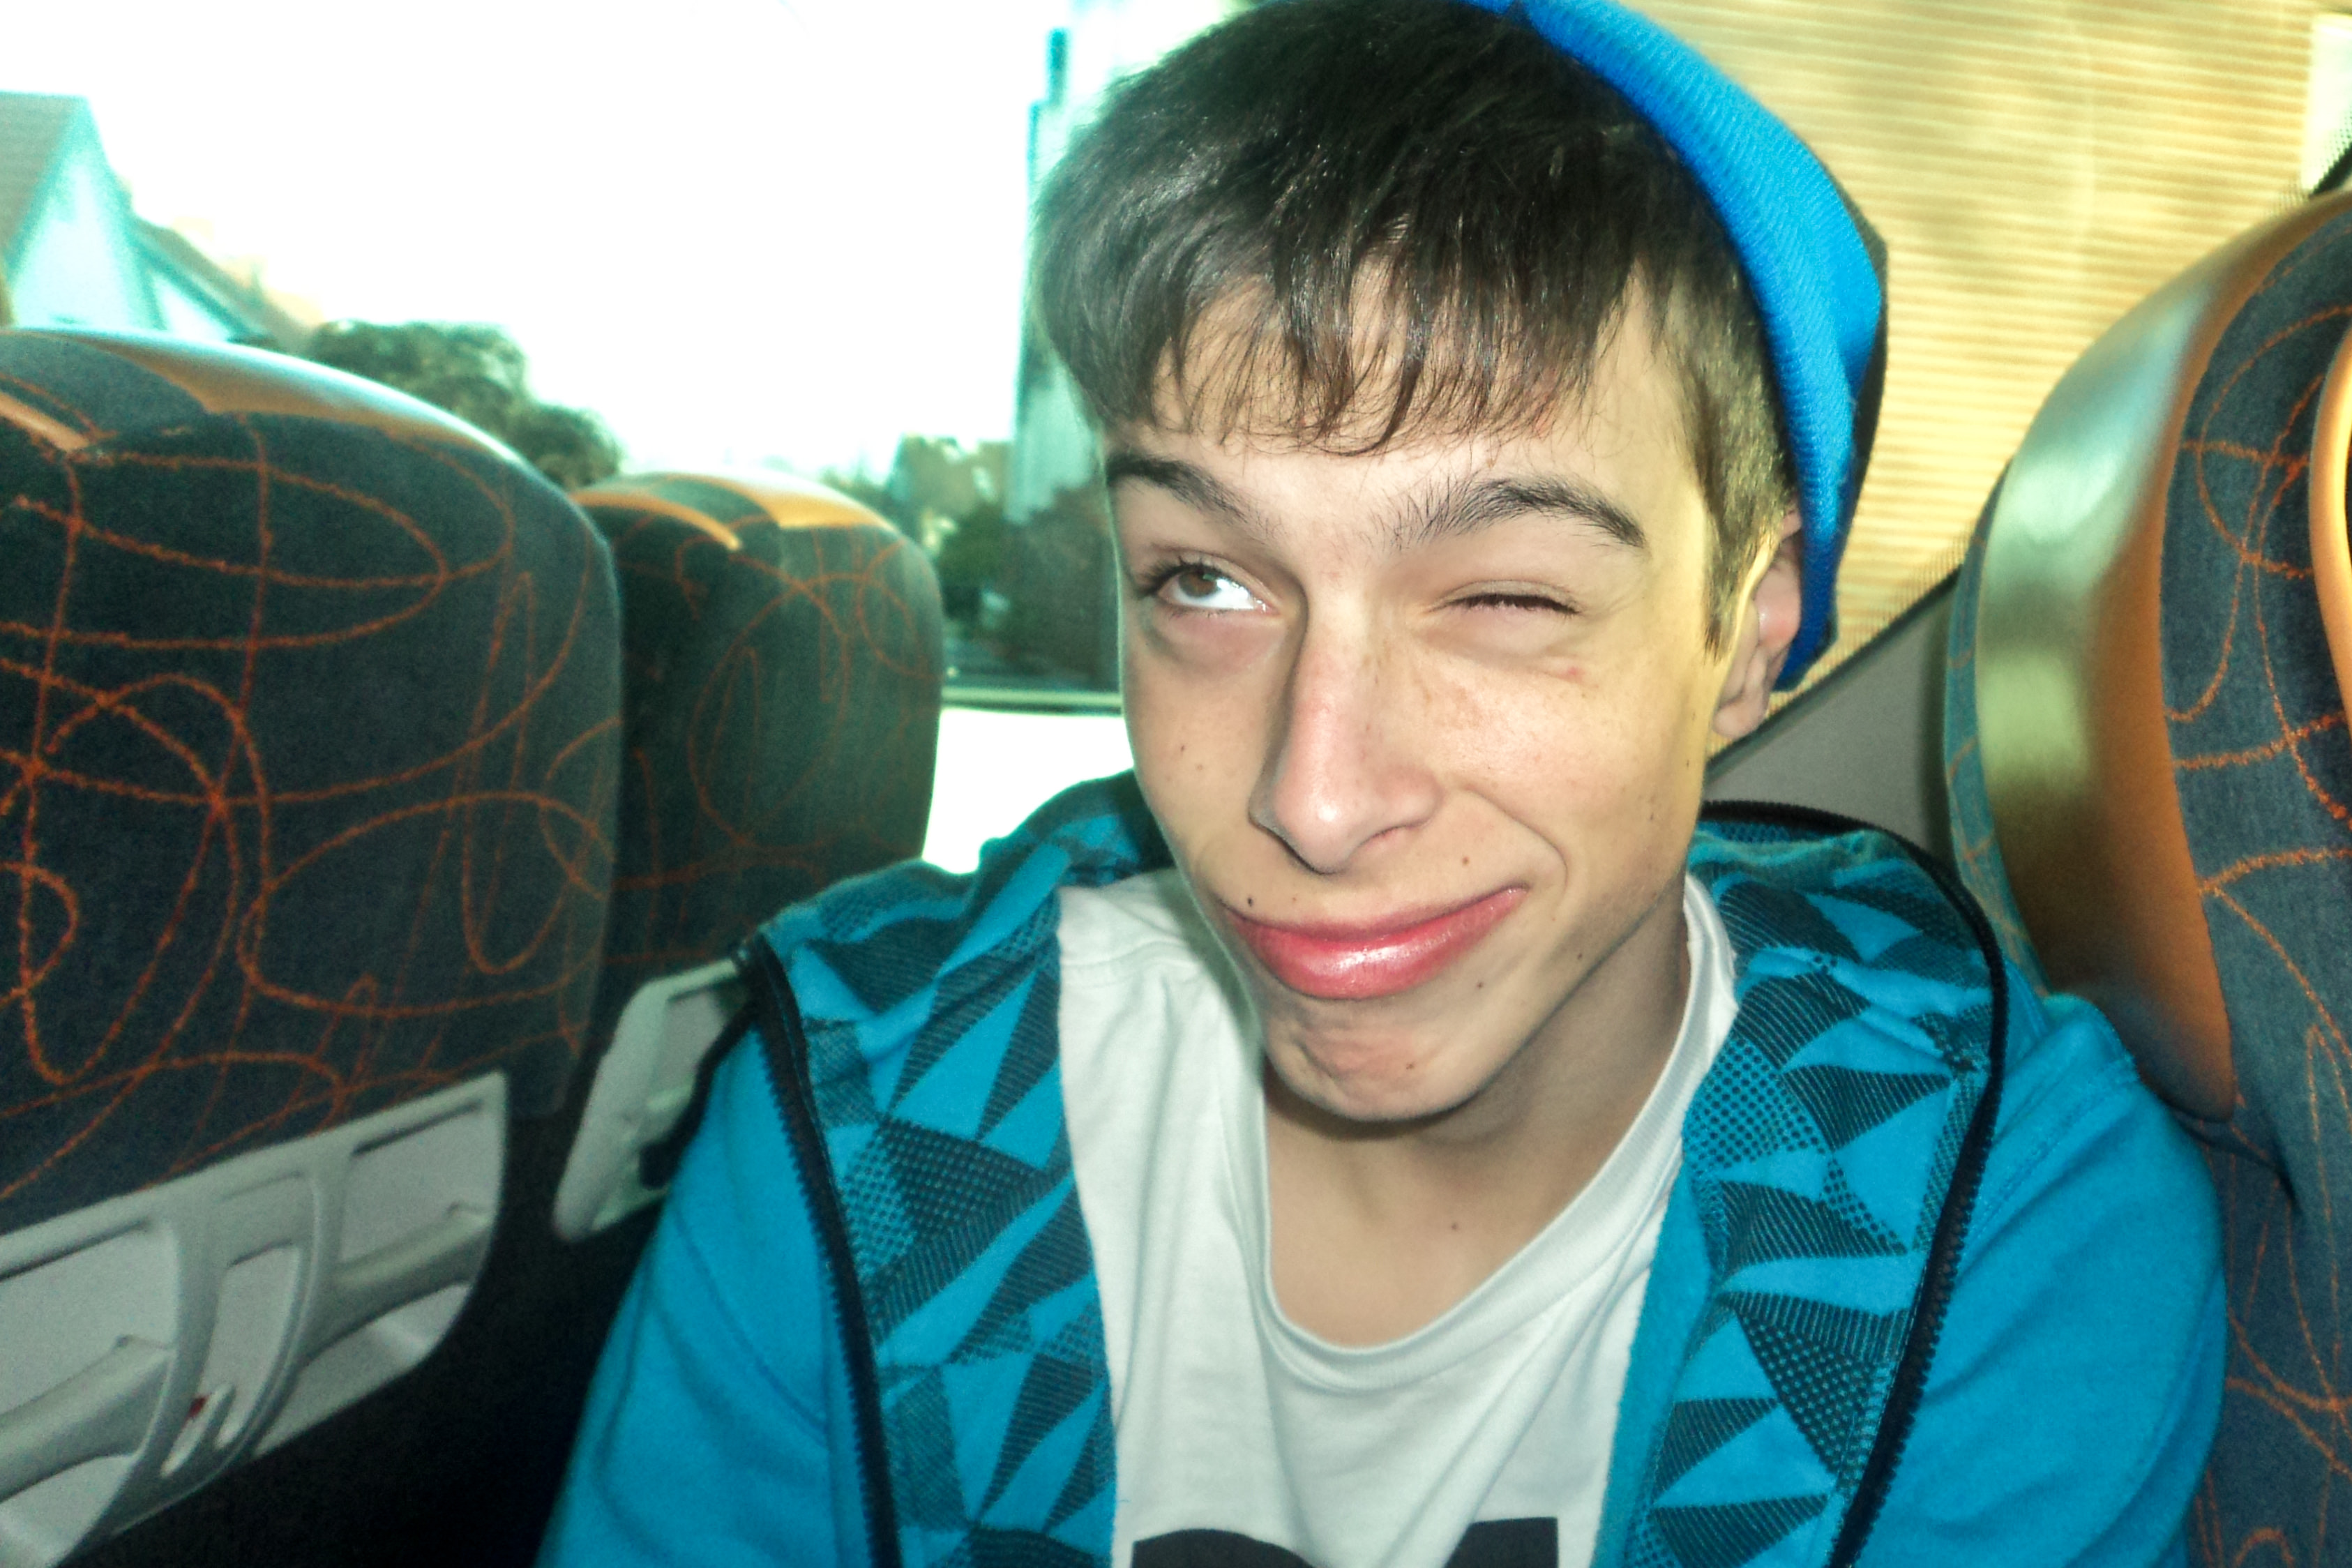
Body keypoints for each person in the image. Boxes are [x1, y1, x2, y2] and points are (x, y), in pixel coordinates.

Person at [538, 1, 2223, 1563]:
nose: (1314, 799)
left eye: (1506, 597)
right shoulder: (869, 1107)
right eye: (1203, 578)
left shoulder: (2003, 1220)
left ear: (1748, 632)